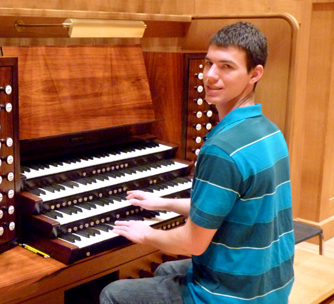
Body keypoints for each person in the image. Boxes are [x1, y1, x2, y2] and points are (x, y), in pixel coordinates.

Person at [99, 21, 295, 304]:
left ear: (255, 74)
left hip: (234, 296)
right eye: (208, 64)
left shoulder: (222, 149)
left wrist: (146, 234)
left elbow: (193, 242)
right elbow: (231, 208)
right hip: (272, 282)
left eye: (226, 67)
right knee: (165, 268)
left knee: (113, 294)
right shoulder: (269, 131)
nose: (210, 76)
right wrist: (164, 203)